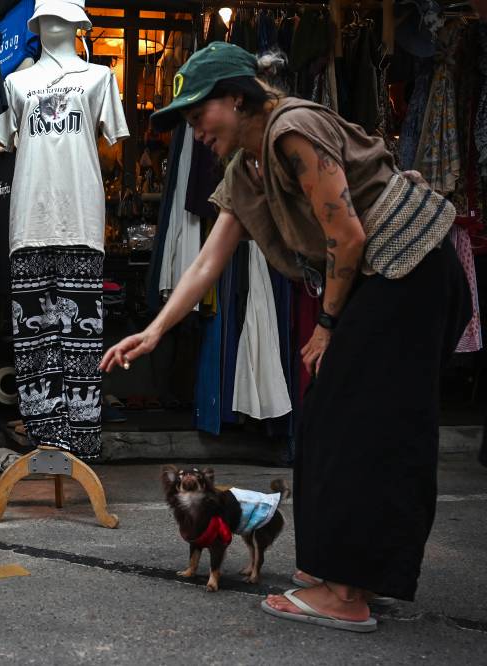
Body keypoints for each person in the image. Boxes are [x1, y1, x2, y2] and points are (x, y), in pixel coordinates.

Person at [101, 43, 471, 632]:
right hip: (382, 279)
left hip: (411, 269)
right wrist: (152, 331)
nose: (195, 132)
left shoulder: (291, 129)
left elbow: (347, 236)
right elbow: (207, 262)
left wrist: (326, 325)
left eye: (199, 115)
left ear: (237, 97)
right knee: (329, 420)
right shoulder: (243, 170)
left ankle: (347, 591)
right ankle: (344, 572)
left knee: (362, 426)